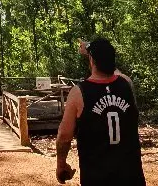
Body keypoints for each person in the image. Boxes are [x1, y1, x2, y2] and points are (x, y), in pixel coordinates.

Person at [55, 37, 146, 185]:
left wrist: (61, 164)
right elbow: (116, 73)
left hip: (96, 177)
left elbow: (64, 136)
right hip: (131, 176)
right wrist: (96, 52)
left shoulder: (79, 92)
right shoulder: (126, 84)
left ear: (91, 61)